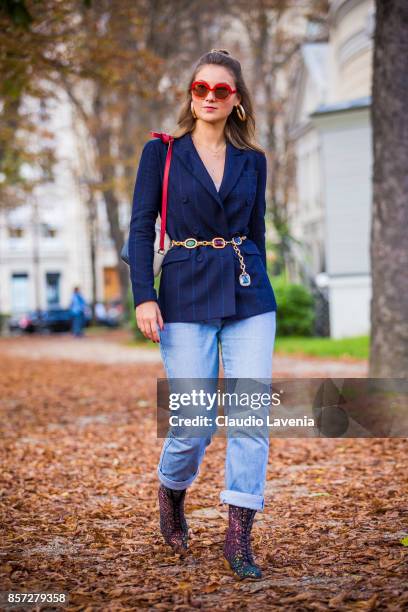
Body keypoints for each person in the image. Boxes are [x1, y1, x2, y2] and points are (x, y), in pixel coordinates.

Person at [128, 49, 278, 580]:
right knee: (192, 422)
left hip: (247, 292)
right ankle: (172, 492)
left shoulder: (253, 160)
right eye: (201, 88)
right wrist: (144, 295)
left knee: (250, 417)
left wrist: (261, 279)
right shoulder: (162, 152)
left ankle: (238, 534)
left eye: (221, 90)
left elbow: (256, 230)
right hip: (185, 289)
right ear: (190, 95)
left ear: (236, 101)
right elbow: (142, 226)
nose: (210, 97)